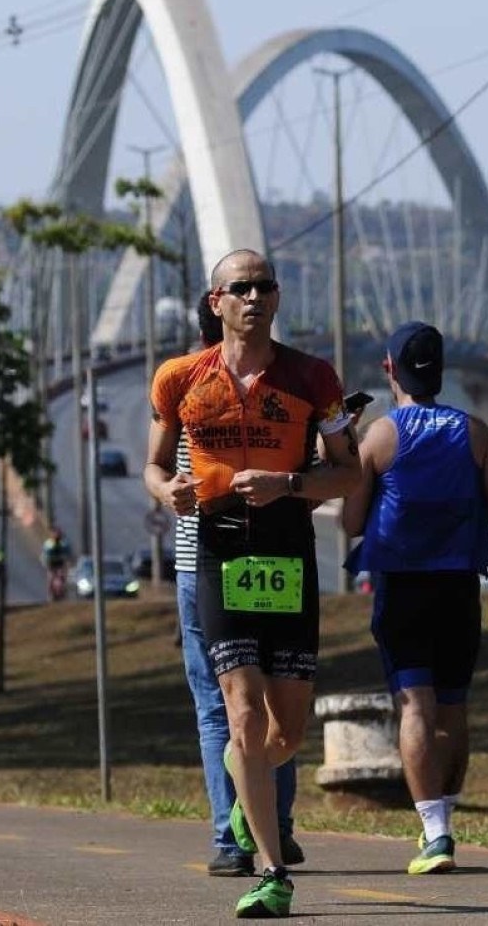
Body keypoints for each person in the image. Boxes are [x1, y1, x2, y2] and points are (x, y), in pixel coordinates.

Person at [145, 249, 361, 919]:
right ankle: (271, 872)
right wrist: (169, 492)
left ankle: (249, 798)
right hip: (218, 552)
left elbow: (348, 472)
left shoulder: (312, 376)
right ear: (217, 302)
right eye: (241, 288)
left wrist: (288, 484)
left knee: (285, 734)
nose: (255, 297)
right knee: (240, 712)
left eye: (266, 286)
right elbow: (154, 468)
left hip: (287, 550)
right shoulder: (180, 378)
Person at [342, 321, 488, 876]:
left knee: (414, 706)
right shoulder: (476, 432)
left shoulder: (378, 436)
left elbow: (350, 521)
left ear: (390, 369)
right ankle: (447, 816)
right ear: (441, 370)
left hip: (401, 584)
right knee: (453, 705)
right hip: (459, 583)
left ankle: (434, 833)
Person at [173, 289, 302, 878]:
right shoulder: (187, 390)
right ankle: (275, 826)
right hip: (211, 561)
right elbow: (163, 476)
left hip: (213, 562)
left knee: (228, 710)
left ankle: (233, 835)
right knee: (251, 705)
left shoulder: (192, 394)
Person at [41, 526, 71, 602]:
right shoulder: (48, 543)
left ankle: (63, 592)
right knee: (51, 578)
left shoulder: (64, 543)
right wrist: (45, 562)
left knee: (62, 577)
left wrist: (68, 561)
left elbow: (68, 553)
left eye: (58, 533)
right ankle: (50, 594)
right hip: (51, 563)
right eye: (55, 533)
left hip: (60, 562)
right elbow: (44, 554)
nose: (56, 535)